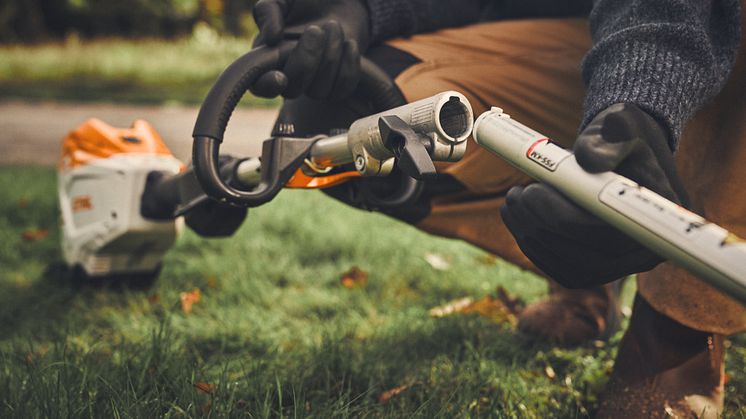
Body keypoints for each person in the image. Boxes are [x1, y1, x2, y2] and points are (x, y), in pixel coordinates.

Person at [247, 0, 745, 416]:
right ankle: (587, 280)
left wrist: (640, 94)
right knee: (345, 109)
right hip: (584, 32)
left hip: (703, 34)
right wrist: (362, 9)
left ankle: (678, 332)